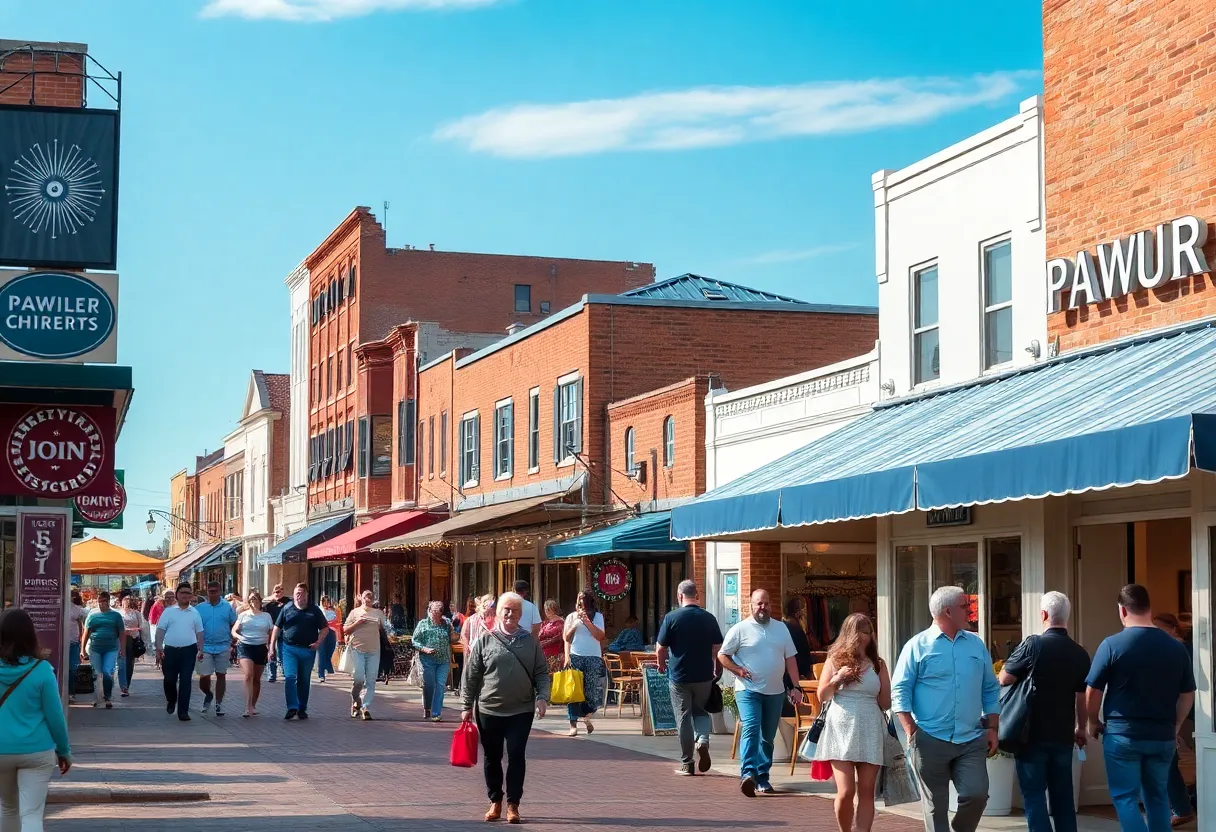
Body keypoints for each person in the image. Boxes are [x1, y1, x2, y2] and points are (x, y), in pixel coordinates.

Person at [1085, 584, 1195, 832]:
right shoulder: (1176, 647)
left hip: (1123, 735)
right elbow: (1188, 693)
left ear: (1122, 611)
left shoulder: (1112, 645)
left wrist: (1092, 721)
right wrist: (1175, 725)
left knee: (1125, 798)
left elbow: (1093, 690)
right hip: (1161, 736)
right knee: (1157, 798)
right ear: (1149, 608)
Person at [892, 585, 1000, 832]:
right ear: (949, 612)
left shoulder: (975, 644)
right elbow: (900, 692)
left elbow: (990, 689)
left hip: (970, 737)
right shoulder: (916, 646)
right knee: (935, 807)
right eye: (965, 606)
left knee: (977, 795)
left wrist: (992, 727)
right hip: (929, 738)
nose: (970, 611)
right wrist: (911, 731)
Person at [997, 591, 1091, 832]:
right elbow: (1082, 697)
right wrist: (1081, 728)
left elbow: (1004, 678)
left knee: (1034, 795)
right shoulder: (1080, 653)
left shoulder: (1033, 644)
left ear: (1044, 615)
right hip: (1062, 734)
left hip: (1031, 733)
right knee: (1063, 797)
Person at [460, 591, 551, 825]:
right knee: (492, 756)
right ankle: (495, 801)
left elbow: (541, 671)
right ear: (498, 612)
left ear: (521, 614)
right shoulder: (485, 640)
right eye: (506, 610)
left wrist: (542, 697)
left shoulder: (530, 642)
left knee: (517, 755)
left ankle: (513, 805)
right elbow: (471, 676)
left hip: (521, 710)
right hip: (489, 709)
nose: (510, 614)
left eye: (515, 610)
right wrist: (466, 705)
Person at [718, 588, 804, 796]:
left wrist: (796, 686)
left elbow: (790, 658)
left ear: (771, 605)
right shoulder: (740, 629)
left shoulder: (781, 629)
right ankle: (747, 774)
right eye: (758, 604)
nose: (762, 607)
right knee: (751, 728)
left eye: (765, 603)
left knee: (767, 736)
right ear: (751, 606)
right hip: (748, 691)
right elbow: (722, 655)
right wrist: (738, 670)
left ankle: (762, 777)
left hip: (775, 691)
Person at [814, 613, 890, 832]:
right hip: (841, 726)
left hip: (870, 725)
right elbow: (823, 695)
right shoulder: (834, 660)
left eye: (868, 631)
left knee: (867, 791)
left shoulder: (878, 664)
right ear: (850, 633)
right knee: (846, 791)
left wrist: (884, 689)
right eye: (862, 631)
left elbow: (885, 702)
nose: (866, 636)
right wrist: (837, 679)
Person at [0, 609, 72, 832]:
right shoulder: (41, 670)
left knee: (7, 808)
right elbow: (55, 716)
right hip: (37, 751)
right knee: (31, 813)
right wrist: (64, 751)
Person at [656, 579, 723, 777]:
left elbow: (661, 648)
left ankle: (688, 762)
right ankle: (702, 740)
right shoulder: (709, 618)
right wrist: (717, 669)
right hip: (703, 675)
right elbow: (717, 648)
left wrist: (661, 665)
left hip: (679, 676)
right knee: (700, 712)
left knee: (683, 717)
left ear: (679, 596)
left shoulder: (671, 618)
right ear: (697, 596)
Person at [1152, 612, 1197, 827]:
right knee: (1170, 760)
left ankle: (1181, 808)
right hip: (1179, 712)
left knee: (1169, 760)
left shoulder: (1180, 650)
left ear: (1172, 629)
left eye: (1159, 628)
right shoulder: (1171, 649)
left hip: (1187, 712)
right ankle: (1181, 807)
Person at [268, 583, 328, 720]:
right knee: (290, 678)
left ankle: (302, 708)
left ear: (307, 595)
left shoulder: (315, 610)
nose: (299, 596)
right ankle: (292, 707)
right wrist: (271, 647)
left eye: (301, 593)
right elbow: (277, 628)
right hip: (289, 649)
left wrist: (318, 642)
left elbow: (325, 628)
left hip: (308, 650)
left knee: (304, 679)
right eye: (296, 594)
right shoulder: (287, 608)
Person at [154, 583, 205, 721]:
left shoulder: (195, 613)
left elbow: (200, 632)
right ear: (177, 594)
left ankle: (183, 711)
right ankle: (171, 700)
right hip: (170, 651)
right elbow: (160, 631)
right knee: (169, 679)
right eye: (183, 592)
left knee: (185, 681)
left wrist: (201, 649)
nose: (185, 595)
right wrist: (158, 648)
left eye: (188, 593)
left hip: (189, 650)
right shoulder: (169, 611)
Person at [562, 590, 607, 737]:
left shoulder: (598, 617)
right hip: (576, 655)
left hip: (593, 657)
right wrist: (567, 657)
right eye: (578, 599)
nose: (580, 602)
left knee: (591, 693)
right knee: (573, 692)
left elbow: (600, 636)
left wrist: (587, 621)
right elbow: (566, 638)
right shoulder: (571, 617)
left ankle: (586, 715)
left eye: (583, 599)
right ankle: (573, 724)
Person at [196, 581, 237, 716]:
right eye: (210, 591)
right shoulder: (200, 608)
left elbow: (233, 624)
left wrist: (232, 642)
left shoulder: (227, 607)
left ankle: (219, 704)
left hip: (222, 645)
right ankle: (208, 694)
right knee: (204, 676)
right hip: (205, 647)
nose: (212, 593)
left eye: (215, 591)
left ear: (220, 591)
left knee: (221, 675)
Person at [343, 590, 385, 721]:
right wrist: (358, 623)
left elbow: (386, 629)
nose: (369, 599)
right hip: (357, 649)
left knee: (371, 680)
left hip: (374, 650)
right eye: (366, 596)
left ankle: (365, 707)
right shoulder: (354, 612)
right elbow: (345, 630)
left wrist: (381, 626)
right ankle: (356, 700)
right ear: (361, 598)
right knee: (359, 678)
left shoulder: (378, 613)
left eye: (371, 597)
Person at [412, 600, 456, 722]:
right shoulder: (423, 624)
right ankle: (427, 707)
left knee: (440, 686)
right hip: (427, 660)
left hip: (443, 660)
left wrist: (454, 630)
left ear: (442, 613)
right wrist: (424, 649)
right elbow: (414, 641)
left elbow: (453, 639)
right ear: (429, 611)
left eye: (438, 612)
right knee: (429, 685)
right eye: (433, 611)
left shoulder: (446, 624)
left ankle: (436, 713)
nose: (435, 614)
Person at [232, 590, 273, 718]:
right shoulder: (243, 615)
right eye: (250, 599)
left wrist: (271, 646)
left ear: (260, 601)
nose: (253, 601)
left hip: (260, 647)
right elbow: (234, 629)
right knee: (248, 675)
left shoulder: (266, 616)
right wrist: (238, 636)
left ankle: (253, 705)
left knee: (256, 679)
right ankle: (247, 707)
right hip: (245, 646)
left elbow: (271, 631)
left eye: (255, 598)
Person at [81, 590, 124, 709]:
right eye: (99, 601)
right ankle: (98, 697)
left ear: (108, 601)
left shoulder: (116, 616)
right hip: (95, 648)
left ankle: (108, 697)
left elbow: (121, 633)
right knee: (97, 673)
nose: (101, 603)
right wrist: (82, 649)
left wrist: (123, 650)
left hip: (111, 648)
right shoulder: (92, 615)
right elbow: (86, 632)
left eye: (104, 601)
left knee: (107, 671)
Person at [116, 595, 145, 698]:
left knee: (129, 664)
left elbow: (141, 627)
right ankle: (123, 687)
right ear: (122, 603)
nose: (127, 604)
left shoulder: (136, 614)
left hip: (132, 640)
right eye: (125, 602)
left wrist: (142, 641)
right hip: (121, 639)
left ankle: (126, 685)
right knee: (121, 662)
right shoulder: (118, 613)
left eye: (129, 602)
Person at [262, 584, 288, 683]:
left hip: (283, 630)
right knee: (271, 651)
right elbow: (260, 605)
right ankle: (272, 673)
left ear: (283, 591)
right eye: (275, 592)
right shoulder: (269, 604)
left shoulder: (288, 602)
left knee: (283, 651)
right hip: (271, 629)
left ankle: (285, 672)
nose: (277, 593)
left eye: (279, 591)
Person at [783, 596, 814, 681]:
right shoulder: (792, 626)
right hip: (796, 668)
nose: (804, 611)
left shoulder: (790, 624)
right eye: (803, 608)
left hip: (795, 667)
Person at [66, 590, 87, 704]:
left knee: (72, 668)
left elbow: (80, 623)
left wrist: (80, 638)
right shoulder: (59, 606)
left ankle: (71, 693)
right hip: (62, 643)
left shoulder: (76, 609)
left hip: (73, 642)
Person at [537, 600, 566, 676]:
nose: (546, 611)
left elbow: (557, 637)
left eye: (548, 609)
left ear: (554, 609)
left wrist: (542, 642)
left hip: (555, 656)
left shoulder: (560, 622)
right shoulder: (546, 623)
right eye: (545, 609)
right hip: (544, 655)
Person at [148, 589, 174, 668]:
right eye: (167, 597)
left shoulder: (177, 606)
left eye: (172, 597)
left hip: (172, 631)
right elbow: (152, 619)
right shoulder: (158, 605)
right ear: (163, 597)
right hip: (159, 629)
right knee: (161, 647)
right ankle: (160, 660)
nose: (169, 599)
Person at [317, 595, 340, 682]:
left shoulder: (334, 611)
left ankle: (328, 665)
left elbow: (337, 622)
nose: (326, 603)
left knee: (330, 650)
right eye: (324, 601)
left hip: (331, 632)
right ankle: (321, 674)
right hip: (321, 632)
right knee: (322, 653)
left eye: (327, 601)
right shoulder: (319, 610)